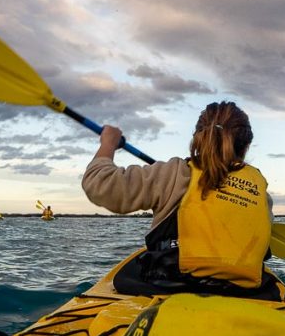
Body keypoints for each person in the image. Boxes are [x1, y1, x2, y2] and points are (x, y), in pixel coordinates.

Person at [82, 101, 272, 292]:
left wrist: (108, 143)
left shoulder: (172, 174)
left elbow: (99, 183)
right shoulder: (261, 194)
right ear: (246, 146)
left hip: (170, 285)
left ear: (198, 138)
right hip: (241, 290)